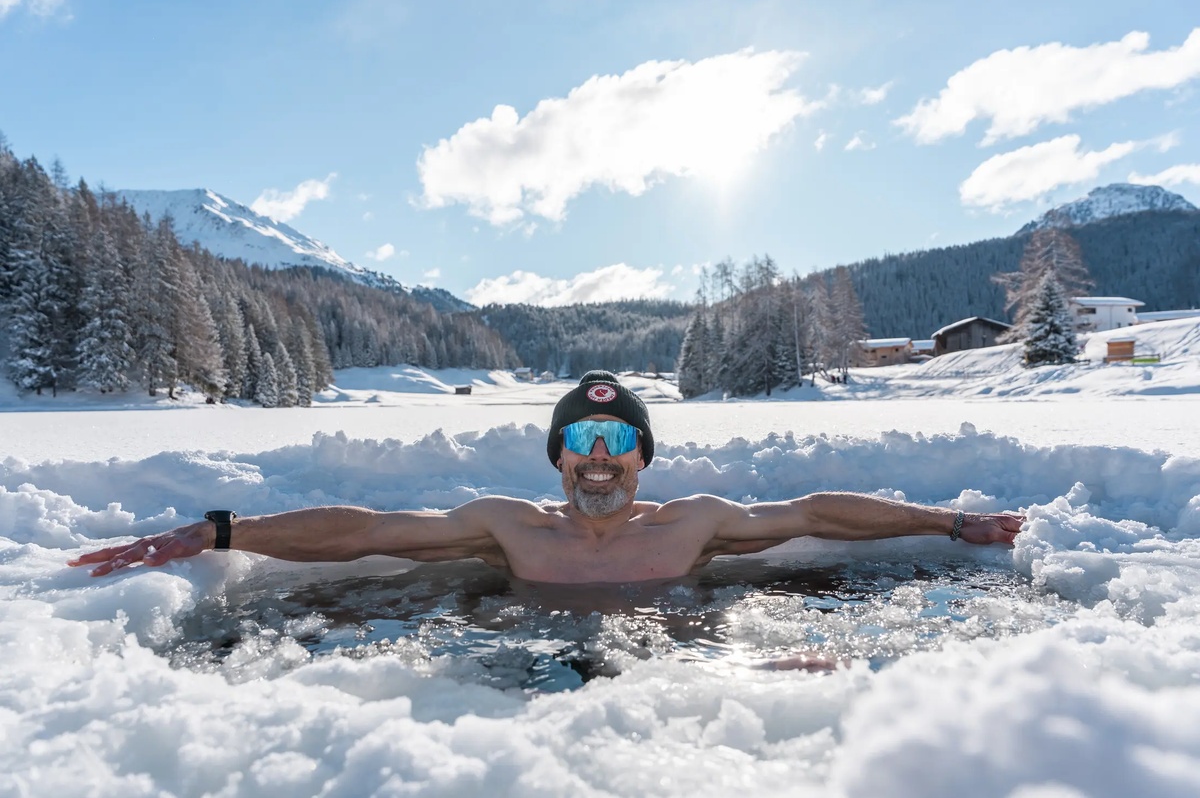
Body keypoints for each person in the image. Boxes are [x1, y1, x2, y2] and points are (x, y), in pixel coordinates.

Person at [70, 370, 1024, 582]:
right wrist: (221, 530)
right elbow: (366, 531)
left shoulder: (698, 523)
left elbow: (818, 513)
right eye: (583, 442)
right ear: (559, 458)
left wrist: (948, 523)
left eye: (619, 442)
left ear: (644, 459)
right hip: (518, 666)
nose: (600, 459)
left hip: (682, 665)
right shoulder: (507, 525)